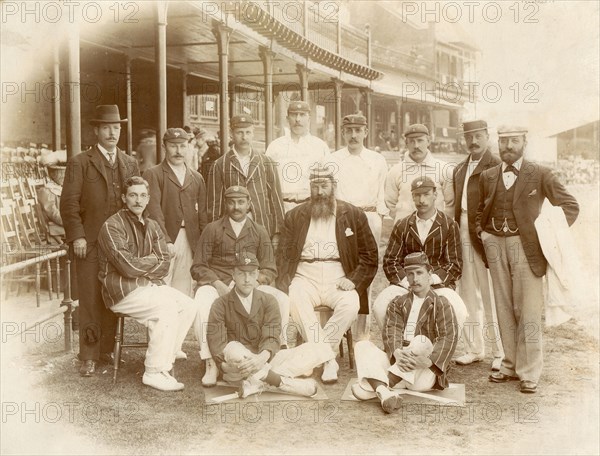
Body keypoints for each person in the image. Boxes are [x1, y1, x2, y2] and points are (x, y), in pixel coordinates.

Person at [476, 126, 579, 394]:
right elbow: (480, 210)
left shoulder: (540, 173)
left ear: (524, 142)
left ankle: (529, 372)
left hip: (527, 247)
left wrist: (546, 233)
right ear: (498, 143)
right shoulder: (488, 175)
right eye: (504, 141)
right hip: (495, 245)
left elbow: (570, 205)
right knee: (503, 307)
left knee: (529, 311)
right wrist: (483, 233)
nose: (508, 146)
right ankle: (509, 364)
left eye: (514, 141)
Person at [276, 164, 379, 384]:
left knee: (351, 304)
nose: (320, 192)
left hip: (339, 278)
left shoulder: (353, 214)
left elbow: (370, 256)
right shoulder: (295, 215)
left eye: (324, 186)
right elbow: (282, 255)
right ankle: (328, 358)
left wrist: (353, 280)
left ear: (334, 186)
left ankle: (311, 356)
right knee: (294, 297)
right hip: (305, 276)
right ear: (310, 188)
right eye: (315, 186)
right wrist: (287, 281)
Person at [97, 176, 198, 391]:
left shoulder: (152, 225)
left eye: (143, 195)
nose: (138, 200)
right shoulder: (112, 226)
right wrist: (152, 260)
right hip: (121, 292)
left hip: (147, 286)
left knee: (189, 305)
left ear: (148, 198)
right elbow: (127, 267)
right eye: (133, 195)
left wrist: (148, 264)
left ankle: (166, 356)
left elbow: (165, 262)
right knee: (167, 308)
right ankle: (153, 372)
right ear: (124, 198)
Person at [60, 104, 140, 377]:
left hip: (119, 246)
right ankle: (89, 356)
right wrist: (78, 236)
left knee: (113, 295)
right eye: (106, 127)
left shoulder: (130, 162)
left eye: (116, 127)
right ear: (96, 130)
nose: (112, 132)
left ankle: (106, 350)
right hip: (90, 243)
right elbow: (69, 204)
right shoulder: (80, 162)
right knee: (91, 299)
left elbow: (137, 201)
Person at [191, 185, 290, 387]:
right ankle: (210, 362)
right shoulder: (213, 229)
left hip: (249, 283)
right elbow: (198, 266)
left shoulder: (259, 231)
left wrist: (252, 282)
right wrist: (217, 283)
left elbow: (270, 269)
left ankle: (272, 354)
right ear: (225, 204)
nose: (236, 207)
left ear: (249, 204)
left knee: (281, 298)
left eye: (241, 202)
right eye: (231, 202)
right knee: (203, 300)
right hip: (218, 283)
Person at [207, 252, 334, 398]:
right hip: (238, 368)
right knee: (233, 348)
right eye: (242, 274)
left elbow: (272, 337)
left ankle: (256, 383)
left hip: (266, 360)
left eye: (251, 273)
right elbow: (217, 344)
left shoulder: (269, 300)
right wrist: (225, 367)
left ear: (257, 275)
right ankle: (284, 384)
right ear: (233, 274)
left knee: (321, 348)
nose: (247, 279)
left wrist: (260, 359)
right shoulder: (220, 304)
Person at [350, 252, 459, 414]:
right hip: (398, 362)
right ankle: (384, 393)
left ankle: (381, 383)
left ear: (429, 275)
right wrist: (397, 353)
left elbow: (449, 337)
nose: (415, 278)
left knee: (421, 341)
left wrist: (428, 362)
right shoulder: (397, 303)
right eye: (410, 274)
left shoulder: (441, 303)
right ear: (406, 278)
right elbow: (391, 331)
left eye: (419, 273)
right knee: (362, 345)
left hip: (423, 373)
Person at [325, 114, 389, 339]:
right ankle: (342, 327)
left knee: (366, 273)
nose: (353, 135)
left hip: (370, 217)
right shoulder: (333, 159)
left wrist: (378, 216)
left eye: (358, 130)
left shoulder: (377, 159)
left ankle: (362, 335)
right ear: (343, 132)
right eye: (349, 130)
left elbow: (383, 193)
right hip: (343, 218)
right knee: (343, 270)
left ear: (365, 132)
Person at [373, 176, 466, 330]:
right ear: (412, 196)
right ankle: (398, 349)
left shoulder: (449, 225)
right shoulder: (403, 225)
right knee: (380, 306)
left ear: (435, 194)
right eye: (417, 195)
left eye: (426, 194)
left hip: (438, 285)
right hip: (406, 284)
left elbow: (454, 265)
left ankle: (437, 350)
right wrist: (408, 281)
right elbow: (390, 261)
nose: (421, 200)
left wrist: (429, 280)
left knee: (459, 311)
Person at [452, 120, 504, 371]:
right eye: (469, 136)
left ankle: (500, 351)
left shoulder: (495, 165)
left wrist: (486, 231)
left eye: (478, 136)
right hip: (461, 227)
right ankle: (474, 348)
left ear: (487, 136)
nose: (473, 141)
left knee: (492, 292)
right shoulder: (460, 168)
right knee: (467, 291)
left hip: (484, 231)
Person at [143, 128, 208, 298]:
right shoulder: (154, 174)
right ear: (164, 147)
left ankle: (181, 325)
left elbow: (202, 214)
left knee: (183, 289)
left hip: (190, 239)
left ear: (188, 147)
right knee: (161, 288)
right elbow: (153, 211)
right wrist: (165, 239)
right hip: (165, 240)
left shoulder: (196, 177)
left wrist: (202, 243)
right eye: (173, 146)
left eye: (182, 146)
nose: (178, 151)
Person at [207, 115, 285, 250]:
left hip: (262, 229)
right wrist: (216, 235)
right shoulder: (220, 165)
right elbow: (215, 206)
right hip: (231, 232)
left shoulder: (267, 163)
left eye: (248, 132)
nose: (244, 137)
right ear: (232, 134)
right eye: (239, 133)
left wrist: (278, 233)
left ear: (253, 133)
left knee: (262, 268)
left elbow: (276, 200)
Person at [265, 101, 330, 213]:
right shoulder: (275, 146)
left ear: (309, 119)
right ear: (287, 118)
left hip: (311, 207)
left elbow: (329, 182)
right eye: (294, 114)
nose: (298, 119)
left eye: (302, 115)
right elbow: (266, 180)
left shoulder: (320, 147)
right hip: (282, 207)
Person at [384, 124, 454, 223]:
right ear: (406, 143)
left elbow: (451, 204)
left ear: (428, 141)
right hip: (405, 231)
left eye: (420, 140)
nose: (416, 146)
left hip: (435, 231)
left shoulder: (444, 169)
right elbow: (390, 203)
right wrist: (405, 223)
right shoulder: (395, 171)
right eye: (412, 141)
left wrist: (440, 225)